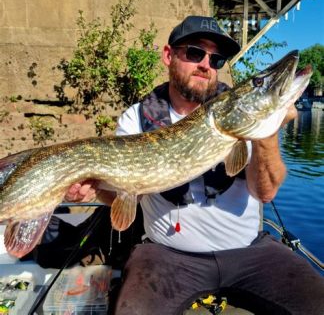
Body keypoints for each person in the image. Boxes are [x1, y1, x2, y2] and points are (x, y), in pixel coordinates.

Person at [67, 16, 324, 315]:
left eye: (215, 59)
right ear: (168, 56)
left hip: (250, 252)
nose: (205, 64)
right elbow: (124, 199)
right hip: (167, 257)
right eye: (194, 53)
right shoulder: (136, 118)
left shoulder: (237, 116)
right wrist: (95, 190)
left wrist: (267, 133)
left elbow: (265, 192)